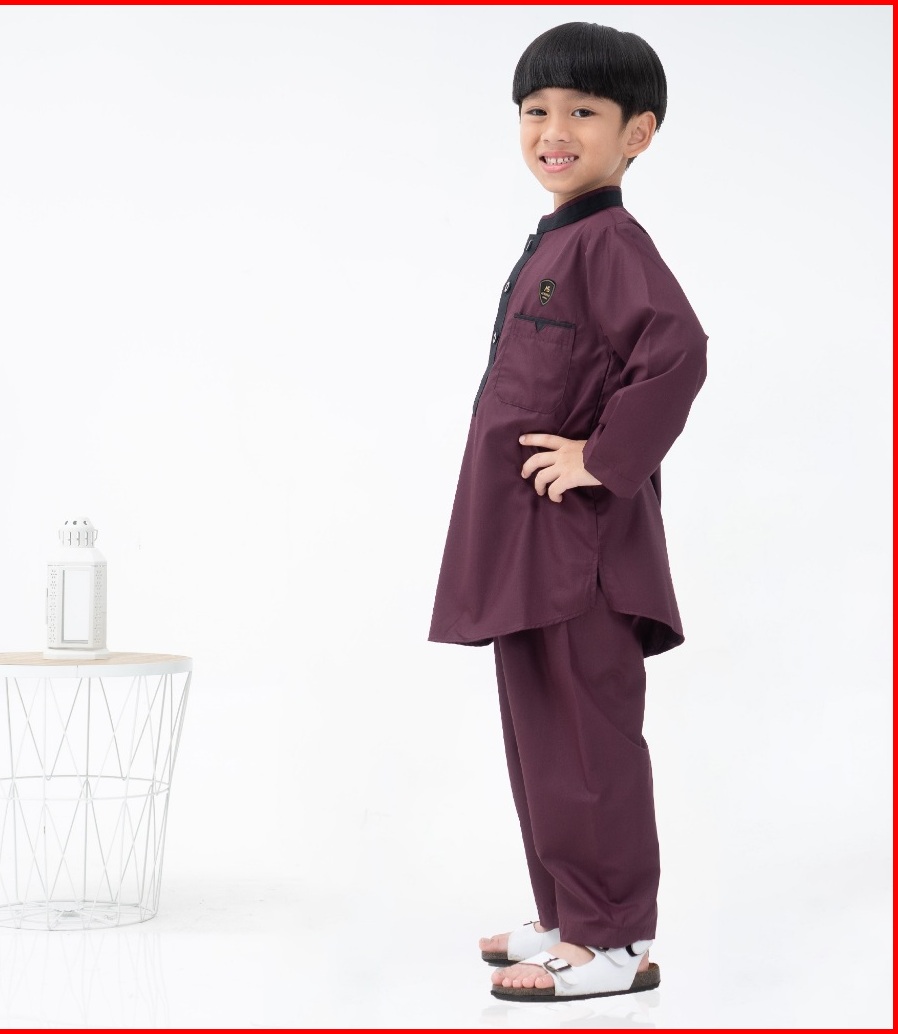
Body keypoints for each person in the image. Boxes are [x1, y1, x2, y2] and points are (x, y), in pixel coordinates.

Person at [428, 21, 708, 1002]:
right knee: (541, 736)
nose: (553, 130)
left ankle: (615, 942)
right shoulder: (560, 240)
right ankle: (566, 915)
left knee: (589, 741)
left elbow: (678, 352)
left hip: (581, 549)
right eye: (535, 109)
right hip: (526, 544)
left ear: (636, 134)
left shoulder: (610, 243)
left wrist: (601, 457)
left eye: (582, 111)